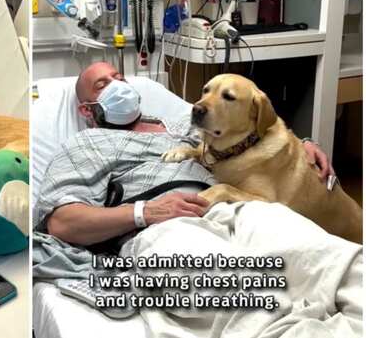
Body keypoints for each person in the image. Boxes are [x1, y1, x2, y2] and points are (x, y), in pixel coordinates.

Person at [37, 61, 332, 247]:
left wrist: (302, 144)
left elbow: (250, 127)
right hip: (170, 228)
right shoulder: (86, 143)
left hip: (242, 211)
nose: (117, 86)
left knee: (321, 255)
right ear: (86, 110)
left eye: (120, 78)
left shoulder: (187, 123)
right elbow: (62, 223)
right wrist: (144, 212)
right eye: (102, 84)